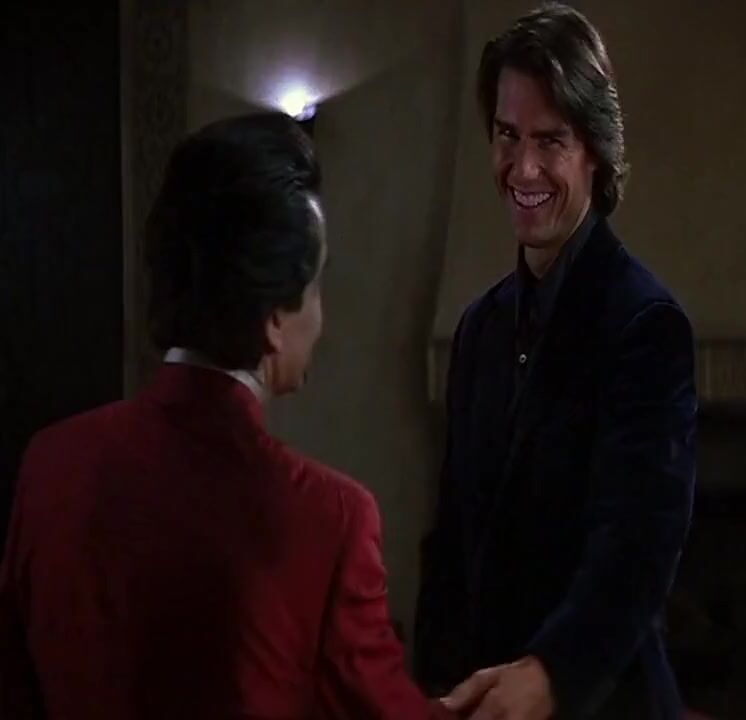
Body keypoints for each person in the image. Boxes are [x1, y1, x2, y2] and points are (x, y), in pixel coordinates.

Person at [0, 113, 451, 720]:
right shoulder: (330, 518)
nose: (321, 317)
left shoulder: (50, 464)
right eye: (316, 286)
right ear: (275, 316)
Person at [415, 4, 698, 719]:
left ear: (594, 151)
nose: (523, 168)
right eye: (507, 136)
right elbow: (451, 547)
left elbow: (637, 552)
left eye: (550, 140)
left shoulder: (645, 325)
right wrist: (429, 693)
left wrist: (549, 675)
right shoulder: (478, 329)